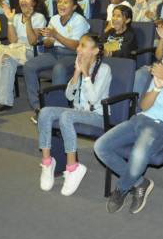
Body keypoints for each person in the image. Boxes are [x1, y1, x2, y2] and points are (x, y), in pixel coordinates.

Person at [94, 34, 163, 215]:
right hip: (140, 119)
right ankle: (139, 183)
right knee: (101, 147)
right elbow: (144, 105)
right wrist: (158, 87)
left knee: (138, 155)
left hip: (162, 126)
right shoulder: (162, 76)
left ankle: (121, 188)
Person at [38, 34, 113, 196]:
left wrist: (85, 74)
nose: (78, 49)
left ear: (95, 50)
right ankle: (47, 162)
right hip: (79, 112)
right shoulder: (80, 66)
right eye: (78, 45)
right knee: (45, 112)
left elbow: (93, 99)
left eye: (83, 45)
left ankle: (73, 167)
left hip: (98, 116)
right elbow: (69, 96)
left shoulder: (104, 70)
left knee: (66, 116)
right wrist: (76, 74)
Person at [23, 0, 91, 122]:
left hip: (73, 55)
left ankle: (57, 110)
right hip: (54, 52)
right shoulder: (54, 19)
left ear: (74, 7)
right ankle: (38, 107)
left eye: (66, 2)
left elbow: (76, 45)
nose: (61, 4)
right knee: (29, 66)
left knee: (59, 68)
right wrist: (49, 39)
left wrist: (56, 35)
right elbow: (48, 42)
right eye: (60, 2)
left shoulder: (79, 20)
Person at [0, 0, 47, 112]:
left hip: (31, 51)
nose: (23, 0)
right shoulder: (16, 16)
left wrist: (28, 21)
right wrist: (10, 21)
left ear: (33, 2)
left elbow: (33, 41)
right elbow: (13, 41)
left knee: (7, 58)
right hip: (16, 48)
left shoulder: (39, 17)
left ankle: (3, 100)